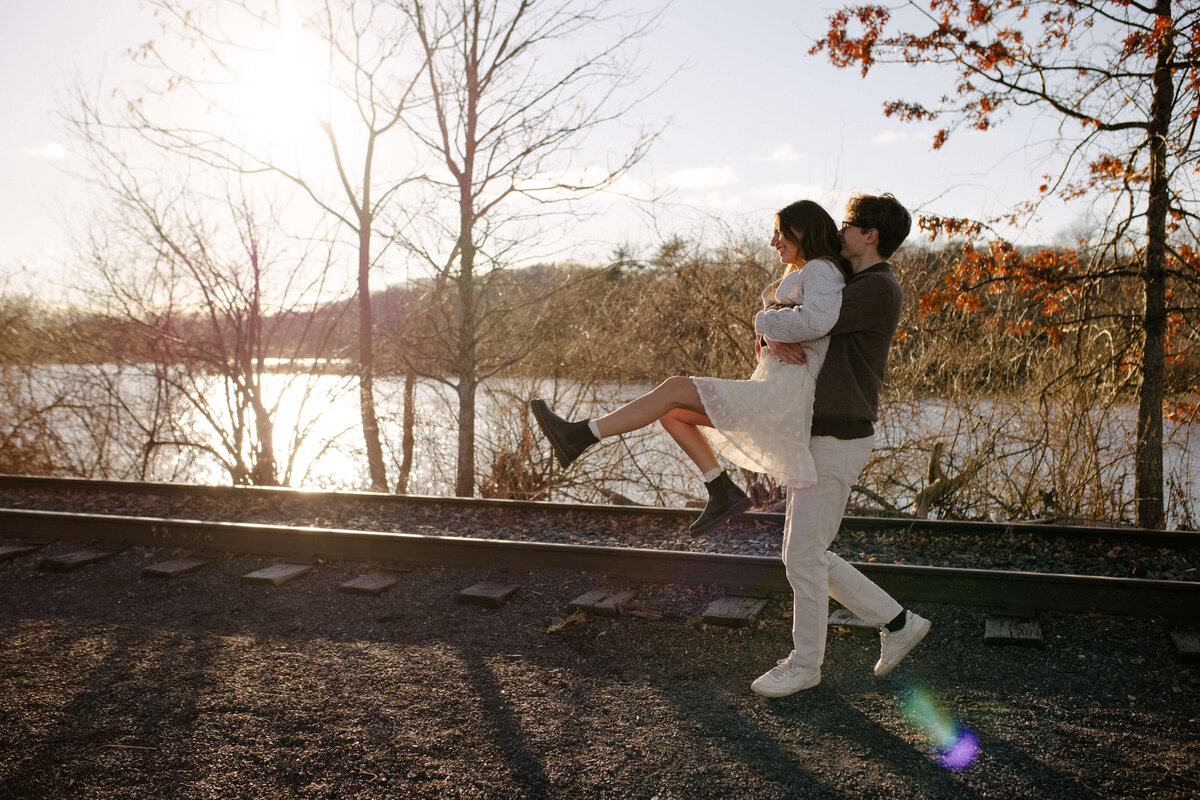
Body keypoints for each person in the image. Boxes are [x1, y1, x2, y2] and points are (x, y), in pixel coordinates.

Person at [529, 199, 849, 538]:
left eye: (780, 233)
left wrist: (763, 321)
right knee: (673, 412)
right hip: (777, 391)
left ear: (805, 230)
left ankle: (579, 436)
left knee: (674, 388)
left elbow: (817, 322)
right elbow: (797, 331)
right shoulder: (806, 272)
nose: (773, 242)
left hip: (784, 396)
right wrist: (770, 338)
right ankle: (721, 490)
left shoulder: (821, 269)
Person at [750, 192, 930, 698]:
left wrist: (763, 322)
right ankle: (898, 624)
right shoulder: (853, 282)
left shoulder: (876, 288)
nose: (840, 230)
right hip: (819, 431)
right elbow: (794, 320)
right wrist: (767, 330)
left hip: (839, 434)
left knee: (802, 556)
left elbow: (806, 320)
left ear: (870, 235)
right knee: (803, 554)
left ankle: (806, 665)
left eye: (849, 224)